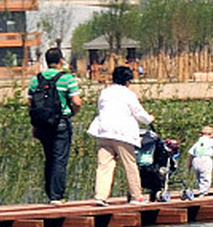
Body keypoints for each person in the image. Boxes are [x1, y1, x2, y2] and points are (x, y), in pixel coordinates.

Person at [87, 64, 153, 205]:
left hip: (104, 132)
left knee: (104, 165)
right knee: (130, 165)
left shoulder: (105, 92)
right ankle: (136, 196)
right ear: (128, 81)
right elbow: (139, 113)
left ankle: (100, 196)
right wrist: (149, 119)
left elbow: (101, 108)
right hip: (122, 133)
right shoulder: (128, 94)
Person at [28, 47, 82, 203]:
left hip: (43, 124)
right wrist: (72, 113)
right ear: (60, 60)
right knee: (60, 159)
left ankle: (49, 193)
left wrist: (35, 125)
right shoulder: (67, 79)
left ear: (46, 61)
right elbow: (77, 102)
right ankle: (57, 196)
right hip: (61, 123)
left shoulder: (36, 79)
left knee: (49, 158)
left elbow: (30, 103)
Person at [186, 125, 213, 198]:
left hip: (196, 159)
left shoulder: (197, 143)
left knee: (198, 176)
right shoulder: (210, 141)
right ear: (211, 134)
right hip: (205, 159)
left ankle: (201, 189)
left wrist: (189, 164)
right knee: (206, 176)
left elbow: (191, 154)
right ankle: (203, 191)